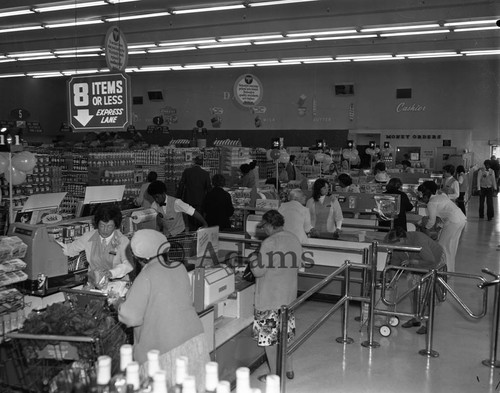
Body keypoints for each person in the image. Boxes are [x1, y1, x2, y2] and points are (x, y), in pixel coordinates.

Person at [117, 229, 210, 392]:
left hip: (164, 350)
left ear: (141, 258)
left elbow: (130, 317)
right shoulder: (179, 267)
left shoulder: (146, 276)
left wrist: (117, 302)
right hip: (195, 339)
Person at [249, 210, 301, 379]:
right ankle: (289, 369)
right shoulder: (293, 238)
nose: (263, 230)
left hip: (270, 299)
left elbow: (258, 271)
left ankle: (274, 375)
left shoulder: (270, 242)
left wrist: (252, 260)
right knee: (286, 336)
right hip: (288, 297)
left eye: (264, 227)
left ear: (270, 225)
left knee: (270, 341)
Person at [384, 227, 445, 335]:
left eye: (393, 245)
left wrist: (413, 261)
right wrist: (391, 280)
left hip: (434, 263)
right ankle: (416, 318)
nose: (391, 248)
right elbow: (394, 265)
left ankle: (427, 323)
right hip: (416, 266)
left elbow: (430, 260)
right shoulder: (398, 248)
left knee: (427, 295)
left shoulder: (418, 240)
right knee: (413, 291)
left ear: (401, 240)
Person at [57, 204, 132, 287]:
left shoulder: (123, 241)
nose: (105, 230)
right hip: (94, 284)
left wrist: (112, 273)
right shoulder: (88, 237)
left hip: (117, 285)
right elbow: (69, 249)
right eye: (102, 225)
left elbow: (129, 264)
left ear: (115, 226)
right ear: (97, 224)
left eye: (109, 226)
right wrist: (52, 242)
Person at [417, 180, 466, 272]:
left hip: (453, 221)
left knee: (442, 246)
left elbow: (432, 221)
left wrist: (424, 228)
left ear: (425, 195)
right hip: (461, 218)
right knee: (451, 246)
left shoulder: (431, 203)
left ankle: (443, 271)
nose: (421, 200)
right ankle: (449, 270)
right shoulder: (441, 196)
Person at [177, 155, 211, 230]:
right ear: (201, 163)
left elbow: (181, 185)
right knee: (199, 219)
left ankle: (192, 234)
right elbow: (208, 188)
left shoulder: (187, 171)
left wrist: (178, 198)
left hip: (189, 200)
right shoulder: (205, 174)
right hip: (201, 201)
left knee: (190, 220)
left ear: (194, 162)